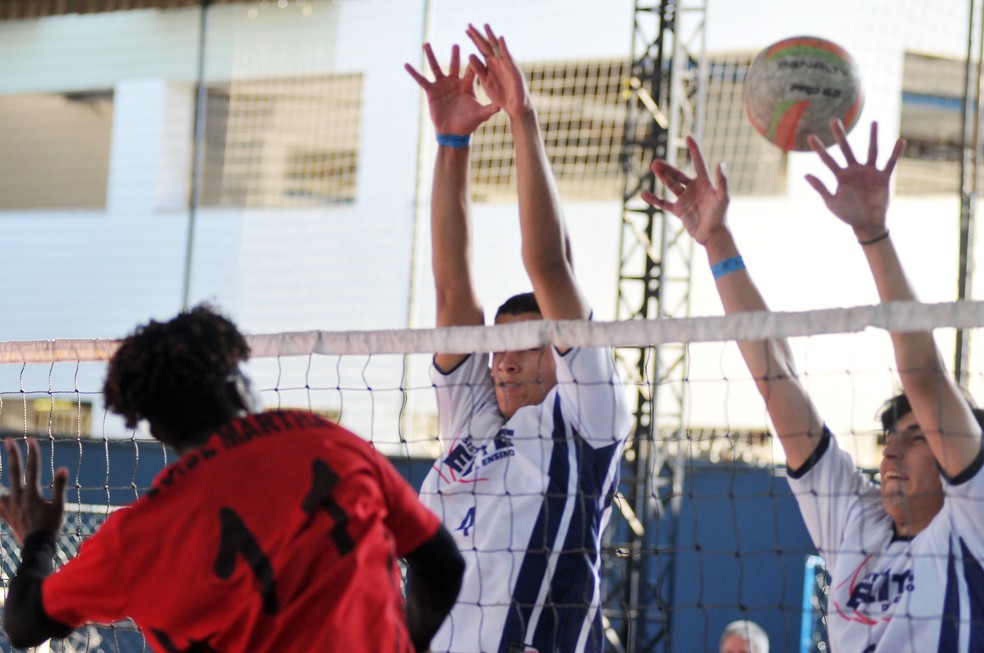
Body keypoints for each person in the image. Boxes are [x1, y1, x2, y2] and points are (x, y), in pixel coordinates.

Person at [643, 120, 984, 652]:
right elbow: (774, 374)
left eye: (917, 436)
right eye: (891, 435)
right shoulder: (856, 520)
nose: (892, 447)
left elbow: (925, 375)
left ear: (957, 459)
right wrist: (716, 241)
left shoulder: (972, 520)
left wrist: (872, 233)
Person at [0, 304, 463, 652]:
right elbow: (443, 566)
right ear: (239, 385)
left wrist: (40, 537)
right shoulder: (331, 444)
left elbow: (22, 624)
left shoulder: (134, 540)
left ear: (157, 428)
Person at [405, 24, 632, 653]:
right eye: (500, 347)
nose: (502, 361)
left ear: (560, 355)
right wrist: (452, 141)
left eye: (526, 344)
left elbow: (549, 265)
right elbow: (453, 293)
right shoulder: (473, 423)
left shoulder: (586, 419)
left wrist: (520, 117)